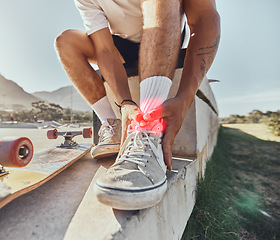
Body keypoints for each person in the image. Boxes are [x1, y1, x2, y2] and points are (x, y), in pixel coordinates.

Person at [55, 0, 220, 210]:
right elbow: (105, 49)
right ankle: (113, 125)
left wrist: (184, 98)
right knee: (66, 41)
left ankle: (149, 130)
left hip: (167, 29)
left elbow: (205, 17)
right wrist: (125, 103)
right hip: (123, 46)